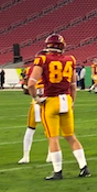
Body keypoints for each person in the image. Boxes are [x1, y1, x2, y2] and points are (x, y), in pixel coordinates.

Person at [28, 34, 89, 180]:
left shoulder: (43, 59)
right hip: (66, 99)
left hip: (51, 101)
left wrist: (36, 98)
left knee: (53, 138)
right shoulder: (70, 60)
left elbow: (31, 83)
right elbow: (73, 85)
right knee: (70, 136)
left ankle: (58, 171)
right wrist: (72, 101)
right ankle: (84, 167)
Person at [18, 62, 44, 165]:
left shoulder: (31, 69)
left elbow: (26, 88)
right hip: (52, 99)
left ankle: (26, 156)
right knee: (51, 131)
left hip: (37, 100)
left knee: (30, 128)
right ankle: (51, 156)